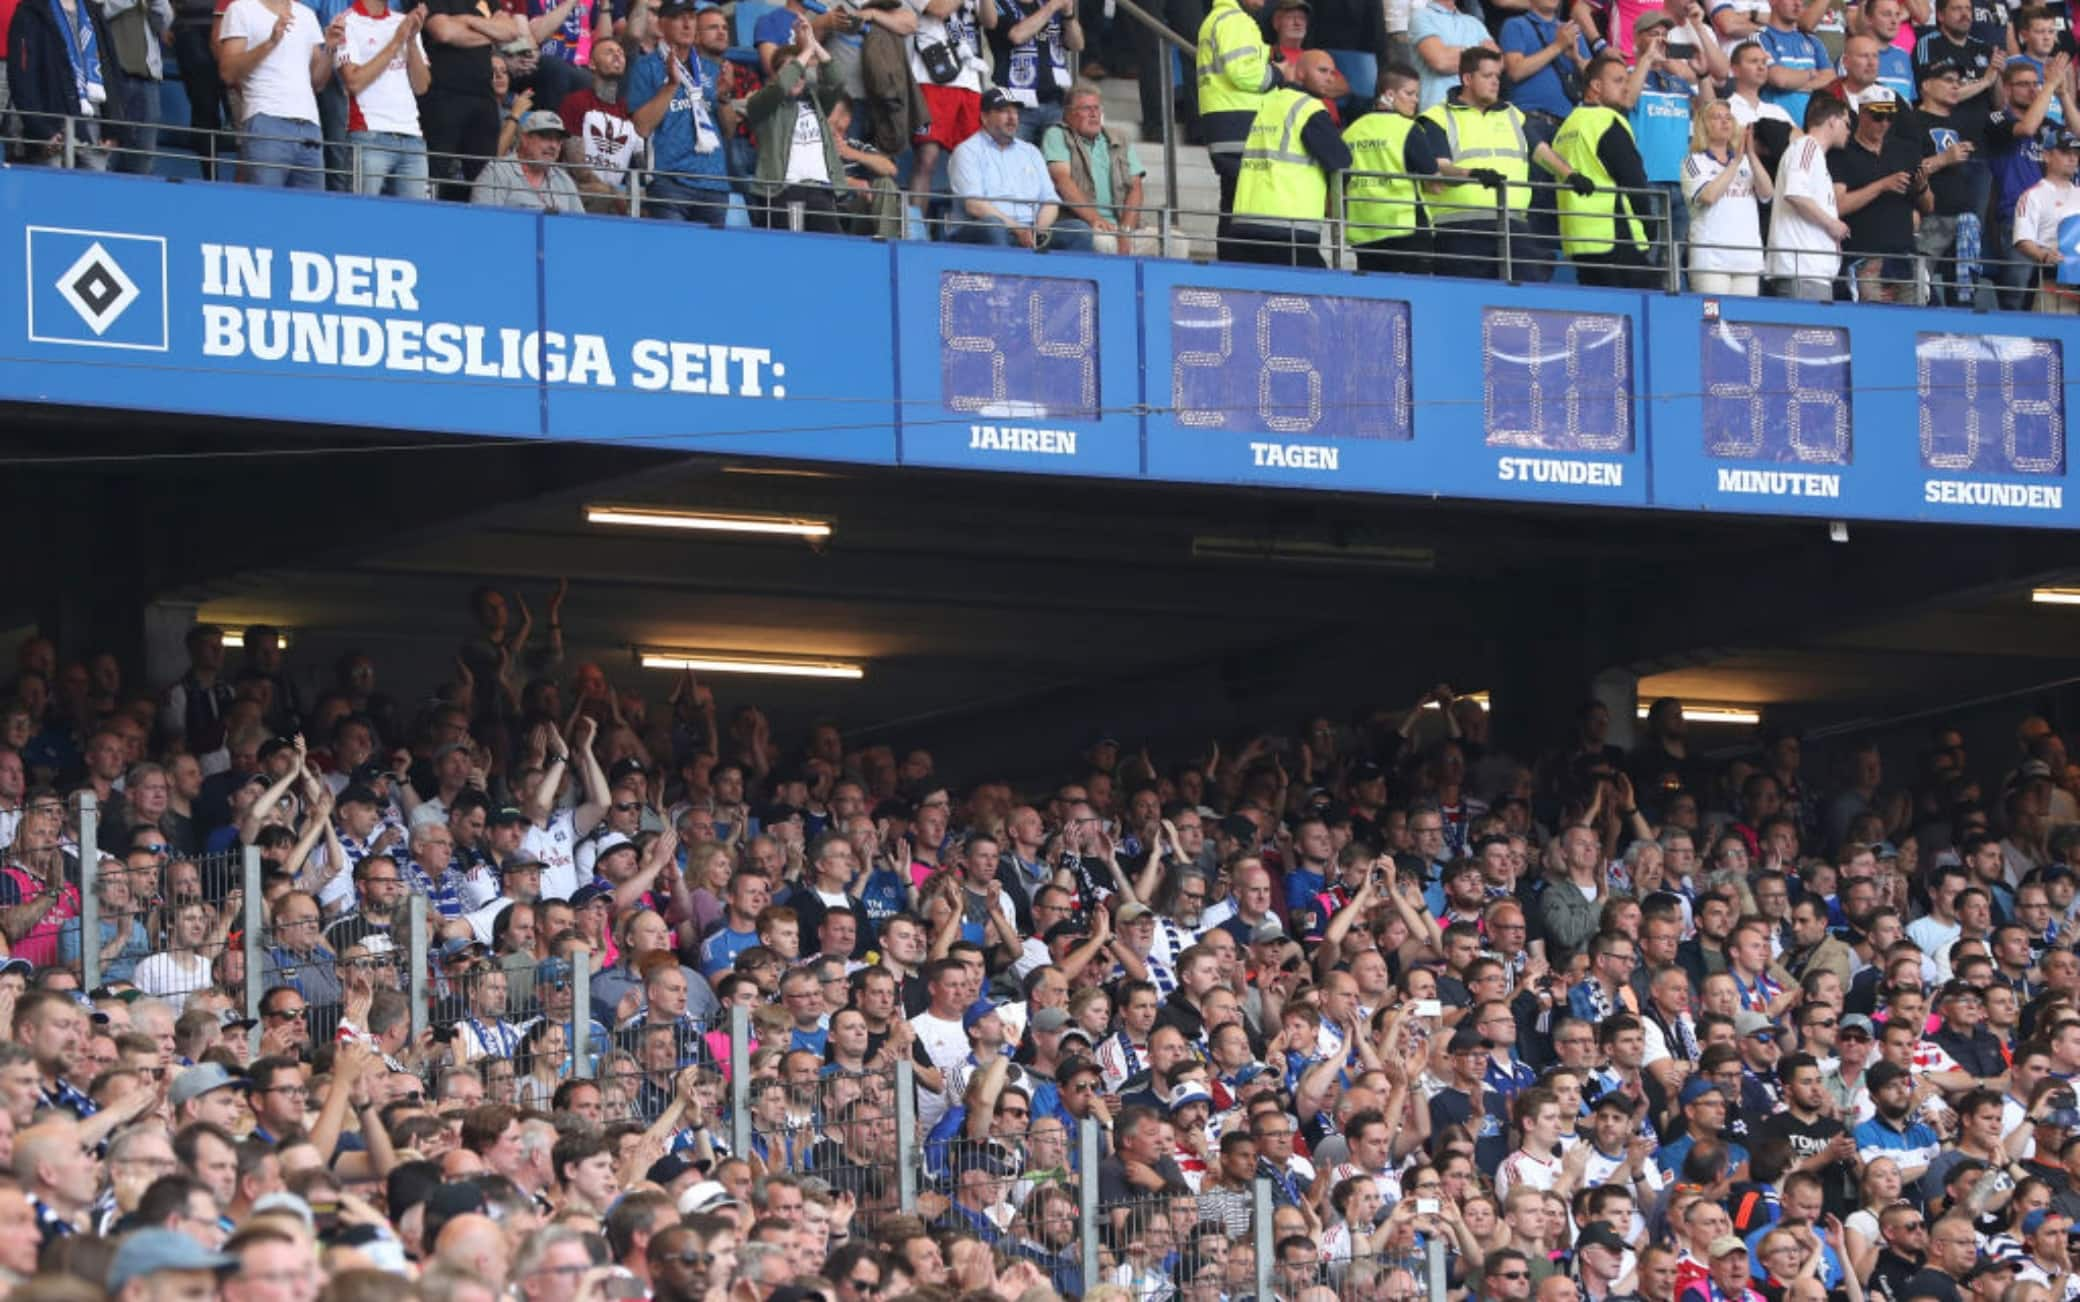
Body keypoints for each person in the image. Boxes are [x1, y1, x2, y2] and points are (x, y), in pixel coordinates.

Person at [1419, 46, 1580, 278]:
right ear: (1467, 78)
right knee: (1466, 300)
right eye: (1487, 76)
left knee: (1525, 299)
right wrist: (1472, 174)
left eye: (1497, 76)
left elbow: (1542, 151)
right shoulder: (1438, 116)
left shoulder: (1513, 113)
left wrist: (1570, 174)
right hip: (1459, 228)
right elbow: (1440, 167)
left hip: (1513, 224)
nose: (1495, 82)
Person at [1228, 48, 1351, 265]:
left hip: (1246, 221)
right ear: (1300, 72)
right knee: (1314, 293)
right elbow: (1341, 162)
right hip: (1288, 224)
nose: (1329, 78)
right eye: (1322, 71)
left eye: (1332, 73)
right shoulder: (1308, 109)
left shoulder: (1269, 102)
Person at [627, 0, 734, 226]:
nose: (687, 24)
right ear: (662, 24)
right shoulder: (646, 66)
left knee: (711, 261)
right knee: (672, 258)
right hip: (670, 180)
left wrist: (724, 98)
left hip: (714, 182)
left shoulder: (710, 69)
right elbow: (642, 127)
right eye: (678, 17)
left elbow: (729, 130)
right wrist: (670, 86)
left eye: (692, 17)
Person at [1553, 51, 1655, 286]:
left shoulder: (1567, 125)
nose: (1626, 88)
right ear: (1596, 86)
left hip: (1578, 240)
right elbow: (1633, 179)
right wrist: (1650, 226)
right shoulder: (1607, 121)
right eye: (1618, 81)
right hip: (1615, 235)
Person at [948, 86, 1093, 248]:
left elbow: (1050, 200)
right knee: (993, 226)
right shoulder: (967, 151)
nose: (1012, 117)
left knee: (1079, 231)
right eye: (1003, 111)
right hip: (987, 230)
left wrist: (1040, 230)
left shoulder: (1031, 152)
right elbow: (975, 205)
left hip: (1032, 230)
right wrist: (1018, 229)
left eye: (1015, 111)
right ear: (984, 117)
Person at [217, 0, 340, 188]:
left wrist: (330, 48)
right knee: (265, 209)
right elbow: (228, 72)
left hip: (310, 127)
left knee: (310, 213)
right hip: (267, 121)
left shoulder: (306, 14)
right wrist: (271, 42)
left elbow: (317, 82)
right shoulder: (241, 9)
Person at [1197, 0, 1284, 256]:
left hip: (1224, 121)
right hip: (1240, 123)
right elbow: (1244, 73)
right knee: (1245, 205)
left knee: (1233, 201)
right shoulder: (1237, 21)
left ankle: (1229, 266)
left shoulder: (1217, 19)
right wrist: (1277, 73)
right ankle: (1237, 267)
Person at [1826, 96, 1927, 302]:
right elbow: (1838, 206)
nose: (1884, 123)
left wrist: (1922, 187)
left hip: (1905, 257)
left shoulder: (1905, 150)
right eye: (1878, 116)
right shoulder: (1842, 152)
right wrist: (1882, 185)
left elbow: (1930, 205)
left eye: (1890, 117)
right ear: (1861, 113)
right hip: (1864, 259)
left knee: (1913, 325)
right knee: (1870, 323)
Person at [1343, 63, 1439, 272]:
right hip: (1406, 229)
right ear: (1389, 94)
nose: (1415, 100)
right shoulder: (1407, 128)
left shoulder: (1351, 132)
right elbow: (1435, 184)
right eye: (1410, 93)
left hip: (1364, 233)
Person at [1042, 82, 1157, 254]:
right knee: (1104, 244)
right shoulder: (1057, 134)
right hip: (1085, 224)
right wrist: (1095, 219)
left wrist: (1125, 232)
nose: (1094, 114)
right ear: (1068, 114)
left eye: (1097, 108)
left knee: (1176, 241)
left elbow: (1136, 186)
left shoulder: (1119, 137)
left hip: (1124, 227)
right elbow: (1062, 181)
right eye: (1086, 109)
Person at [332, 0, 430, 197]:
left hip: (412, 137)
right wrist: (396, 41)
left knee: (415, 222)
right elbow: (353, 82)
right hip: (369, 135)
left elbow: (422, 86)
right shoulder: (346, 22)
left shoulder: (405, 21)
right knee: (363, 220)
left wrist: (410, 40)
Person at [1766, 93, 1851, 299]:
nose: (1850, 130)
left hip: (1811, 271)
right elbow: (1796, 194)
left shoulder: (1815, 154)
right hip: (1802, 270)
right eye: (1847, 123)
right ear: (1832, 121)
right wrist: (1832, 224)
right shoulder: (1807, 146)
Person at [1683, 96, 1771, 291]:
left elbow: (1767, 193)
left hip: (1747, 261)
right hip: (1711, 262)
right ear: (1704, 125)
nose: (1724, 121)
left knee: (1744, 321)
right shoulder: (1695, 161)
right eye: (1716, 117)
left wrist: (1751, 154)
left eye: (1728, 117)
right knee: (1712, 321)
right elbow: (1708, 196)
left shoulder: (1746, 161)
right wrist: (1735, 162)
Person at [2011, 129, 2080, 312]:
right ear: (2046, 156)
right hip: (2052, 278)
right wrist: (2044, 256)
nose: (2073, 158)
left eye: (2076, 154)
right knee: (2051, 336)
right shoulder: (2033, 195)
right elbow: (2023, 240)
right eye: (2065, 153)